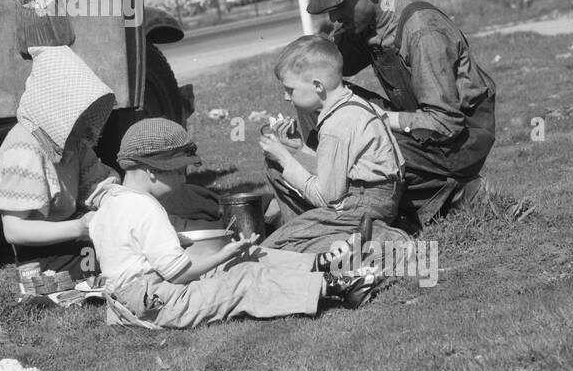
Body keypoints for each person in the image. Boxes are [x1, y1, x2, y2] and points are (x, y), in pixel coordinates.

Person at [90, 119, 374, 327]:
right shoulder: (145, 208)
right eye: (178, 171)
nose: (184, 178)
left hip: (129, 300)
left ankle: (321, 263)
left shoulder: (112, 201)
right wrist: (222, 254)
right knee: (243, 279)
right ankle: (338, 285)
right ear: (152, 170)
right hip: (155, 302)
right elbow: (178, 275)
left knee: (242, 258)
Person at [305, 0, 496, 227]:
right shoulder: (369, 22)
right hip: (424, 130)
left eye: (339, 8)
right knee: (314, 97)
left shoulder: (421, 31)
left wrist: (375, 120)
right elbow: (326, 71)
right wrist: (326, 47)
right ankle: (340, 195)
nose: (334, 18)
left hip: (459, 143)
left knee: (363, 138)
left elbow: (445, 123)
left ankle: (456, 192)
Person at [258, 35, 405, 249]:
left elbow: (325, 197)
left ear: (318, 86)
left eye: (290, 90)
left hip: (359, 206)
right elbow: (338, 168)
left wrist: (285, 157)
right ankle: (325, 232)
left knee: (278, 246)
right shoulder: (353, 103)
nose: (286, 98)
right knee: (285, 230)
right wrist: (298, 148)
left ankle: (380, 240)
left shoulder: (336, 125)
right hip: (377, 198)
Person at [0, 45, 121, 253]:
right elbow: (14, 231)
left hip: (72, 238)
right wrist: (79, 228)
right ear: (57, 106)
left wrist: (119, 199)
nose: (85, 120)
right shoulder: (24, 150)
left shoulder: (72, 141)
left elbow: (96, 184)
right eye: (78, 111)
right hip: (43, 256)